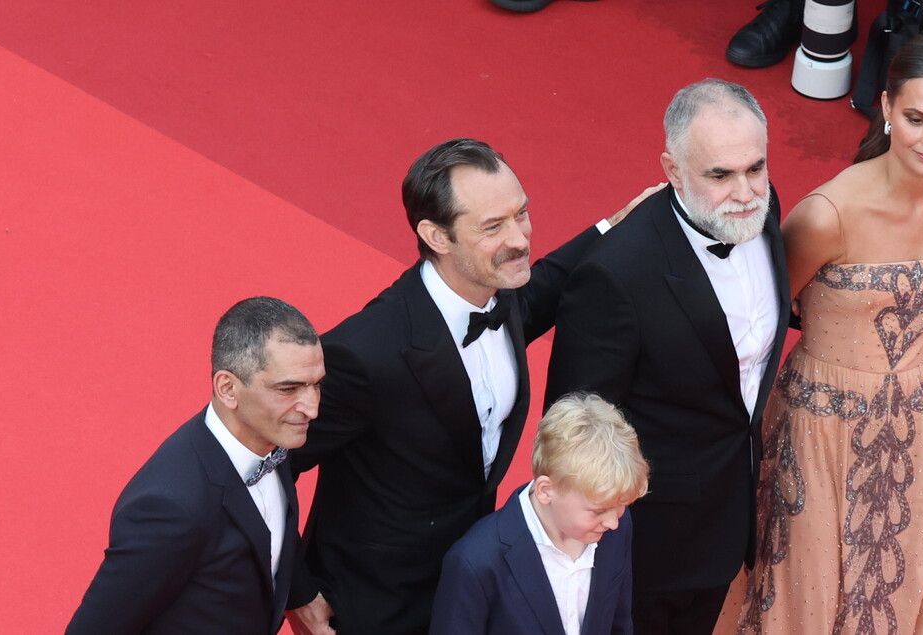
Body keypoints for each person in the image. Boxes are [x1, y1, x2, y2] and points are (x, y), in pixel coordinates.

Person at [286, 138, 658, 635]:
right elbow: (264, 464)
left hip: (475, 579)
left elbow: (543, 287)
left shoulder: (499, 292)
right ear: (436, 236)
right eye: (493, 227)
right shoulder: (365, 353)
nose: (521, 238)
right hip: (380, 601)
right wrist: (298, 589)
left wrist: (614, 228)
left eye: (520, 213)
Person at [733, 31, 923, 633]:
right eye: (915, 118)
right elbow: (765, 329)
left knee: (892, 602)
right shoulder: (828, 215)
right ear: (884, 107)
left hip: (919, 428)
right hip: (817, 432)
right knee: (801, 602)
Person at [545, 79, 792, 635]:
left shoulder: (761, 210)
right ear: (673, 171)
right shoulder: (616, 274)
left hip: (733, 519)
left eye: (756, 167)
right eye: (720, 175)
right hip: (649, 548)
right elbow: (574, 431)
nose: (747, 191)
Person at [66, 296, 325, 634]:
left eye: (316, 384)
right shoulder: (170, 507)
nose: (312, 408)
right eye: (288, 388)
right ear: (228, 388)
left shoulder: (274, 436)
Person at [430, 392, 650, 635]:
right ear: (546, 491)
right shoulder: (475, 562)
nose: (613, 522)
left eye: (621, 506)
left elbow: (620, 625)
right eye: (598, 510)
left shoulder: (617, 527)